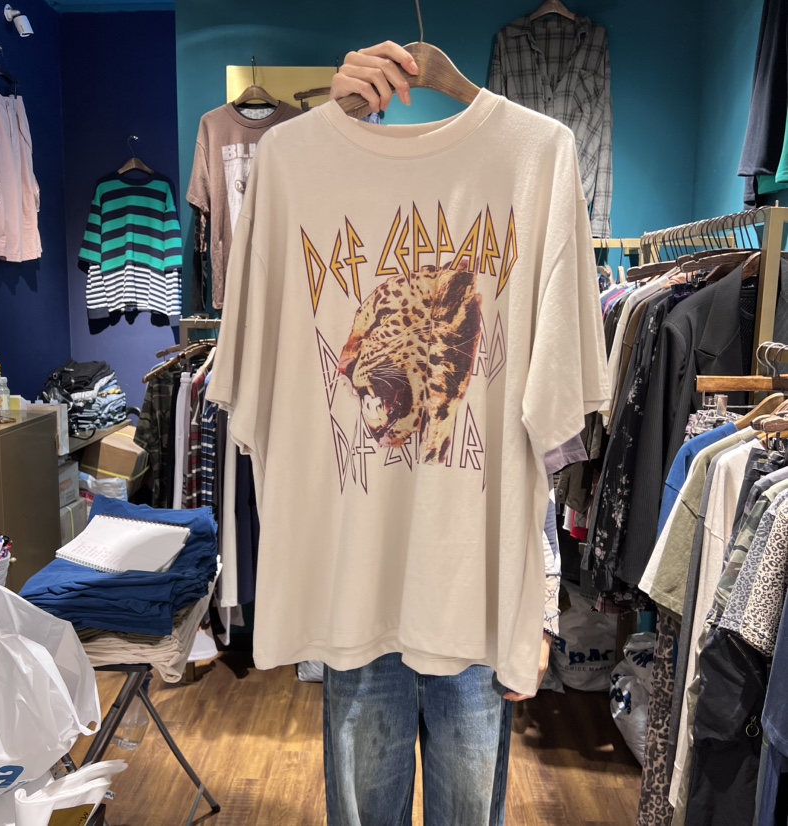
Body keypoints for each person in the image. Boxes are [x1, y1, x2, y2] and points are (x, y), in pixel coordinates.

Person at [321, 42, 554, 826]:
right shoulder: (308, 173)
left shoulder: (535, 164)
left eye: (380, 324)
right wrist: (332, 115)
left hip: (475, 608)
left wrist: (537, 608)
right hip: (361, 604)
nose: (352, 355)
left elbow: (545, 438)